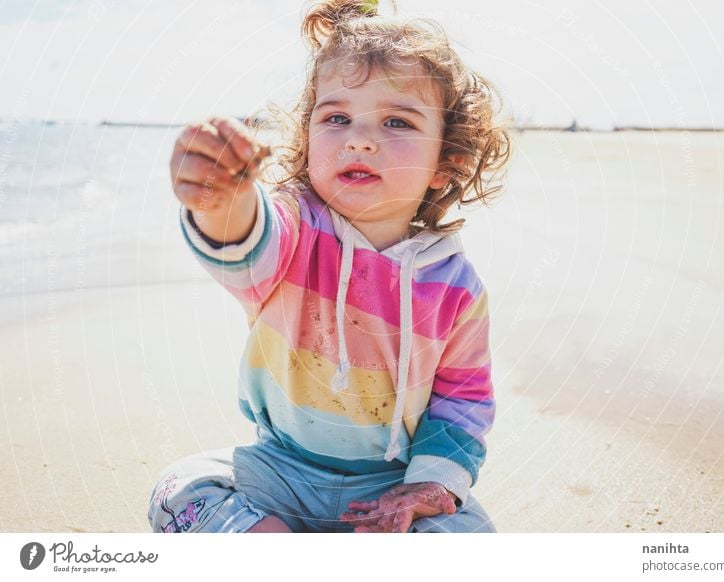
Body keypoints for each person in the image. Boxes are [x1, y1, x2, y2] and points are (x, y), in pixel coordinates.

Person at [148, 0, 510, 533]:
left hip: (389, 488)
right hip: (278, 471)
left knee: (471, 536)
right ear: (308, 137)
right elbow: (247, 244)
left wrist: (429, 484)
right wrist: (220, 197)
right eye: (337, 117)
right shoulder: (296, 230)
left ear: (446, 162)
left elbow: (462, 398)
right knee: (181, 489)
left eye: (397, 121)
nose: (359, 138)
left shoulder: (455, 287)